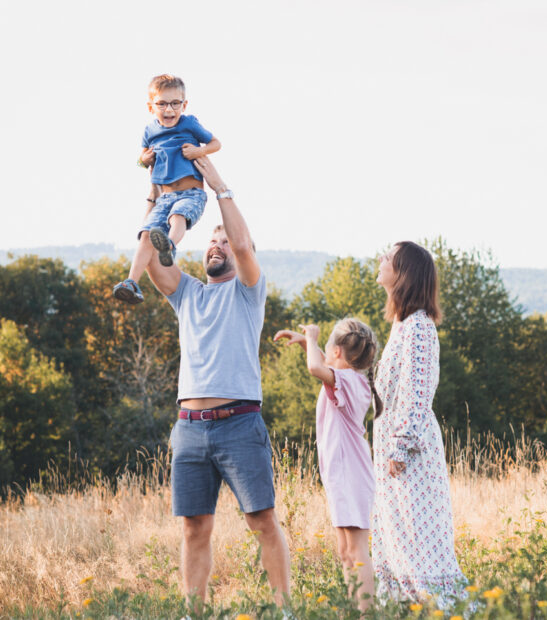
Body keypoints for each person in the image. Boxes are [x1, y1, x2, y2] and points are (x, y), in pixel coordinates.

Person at [145, 154, 290, 606]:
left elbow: (245, 248)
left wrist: (218, 185)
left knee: (262, 520)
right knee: (193, 528)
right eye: (212, 238)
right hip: (189, 429)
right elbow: (152, 261)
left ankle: (282, 612)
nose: (217, 245)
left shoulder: (249, 290)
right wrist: (156, 199)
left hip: (238, 424)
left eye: (224, 240)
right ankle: (194, 614)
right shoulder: (188, 292)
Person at [371, 241, 467, 608]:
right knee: (397, 548)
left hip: (409, 459)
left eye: (388, 256)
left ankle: (455, 613)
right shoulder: (402, 326)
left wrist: (398, 449)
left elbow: (417, 394)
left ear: (404, 272)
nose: (380, 259)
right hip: (392, 458)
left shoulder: (419, 328)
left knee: (421, 550)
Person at [273, 319, 380, 611]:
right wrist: (307, 342)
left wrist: (312, 335)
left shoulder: (345, 380)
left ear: (336, 352)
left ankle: (366, 614)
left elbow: (315, 368)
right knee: (346, 550)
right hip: (344, 475)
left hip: (351, 475)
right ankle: (354, 608)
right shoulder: (352, 378)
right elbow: (325, 362)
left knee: (356, 549)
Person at [113, 74, 221, 304]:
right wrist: (144, 158)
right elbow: (141, 159)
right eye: (162, 104)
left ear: (184, 105)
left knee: (178, 216)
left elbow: (216, 144)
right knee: (145, 234)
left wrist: (198, 152)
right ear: (151, 106)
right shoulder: (149, 131)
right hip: (164, 197)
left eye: (175, 104)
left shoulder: (189, 123)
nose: (169, 109)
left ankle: (169, 246)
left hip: (191, 193)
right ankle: (132, 282)